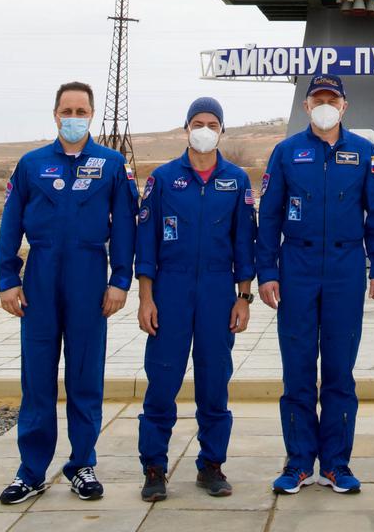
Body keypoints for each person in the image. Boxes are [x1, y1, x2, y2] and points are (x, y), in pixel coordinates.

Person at [0, 81, 138, 505]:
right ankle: (31, 470)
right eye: (66, 110)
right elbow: (10, 224)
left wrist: (119, 280)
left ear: (91, 115)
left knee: (84, 375)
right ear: (54, 114)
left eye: (81, 111)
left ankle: (82, 465)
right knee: (37, 378)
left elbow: (126, 228)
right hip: (40, 276)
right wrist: (7, 279)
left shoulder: (111, 164)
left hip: (89, 276)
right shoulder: (31, 164)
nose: (73, 117)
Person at [256, 74, 374, 496]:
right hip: (296, 266)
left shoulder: (364, 152)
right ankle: (298, 462)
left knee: (338, 372)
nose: (325, 105)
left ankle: (336, 463)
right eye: (318, 99)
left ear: (345, 106)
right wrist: (268, 272)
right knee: (297, 371)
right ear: (306, 105)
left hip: (345, 268)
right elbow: (270, 218)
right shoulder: (286, 152)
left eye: (332, 99)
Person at [136, 97, 256, 502]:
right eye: (198, 122)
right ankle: (154, 467)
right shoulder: (164, 179)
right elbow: (146, 246)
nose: (204, 130)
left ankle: (212, 466)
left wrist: (244, 298)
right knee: (163, 380)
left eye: (212, 124)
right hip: (171, 291)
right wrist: (146, 298)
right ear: (186, 127)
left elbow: (244, 243)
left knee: (214, 383)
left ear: (222, 130)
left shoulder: (236, 181)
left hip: (218, 294)